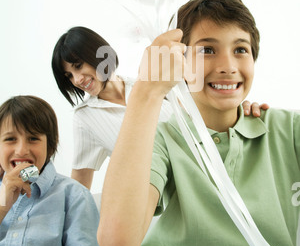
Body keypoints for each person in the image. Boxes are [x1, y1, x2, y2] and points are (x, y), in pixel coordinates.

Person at [98, 0, 300, 246]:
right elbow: (118, 242)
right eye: (207, 50)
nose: (228, 66)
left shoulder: (288, 129)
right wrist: (146, 93)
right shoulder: (161, 140)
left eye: (240, 49)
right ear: (179, 62)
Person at [51, 26, 266, 189]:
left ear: (97, 54)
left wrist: (240, 111)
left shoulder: (153, 81)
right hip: (159, 203)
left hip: (209, 180)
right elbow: (79, 187)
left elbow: (206, 119)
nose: (77, 79)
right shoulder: (86, 118)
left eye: (78, 66)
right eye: (69, 75)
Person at [0, 95, 120, 246]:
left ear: (50, 145)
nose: (21, 149)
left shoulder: (73, 195)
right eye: (10, 139)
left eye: (33, 138)